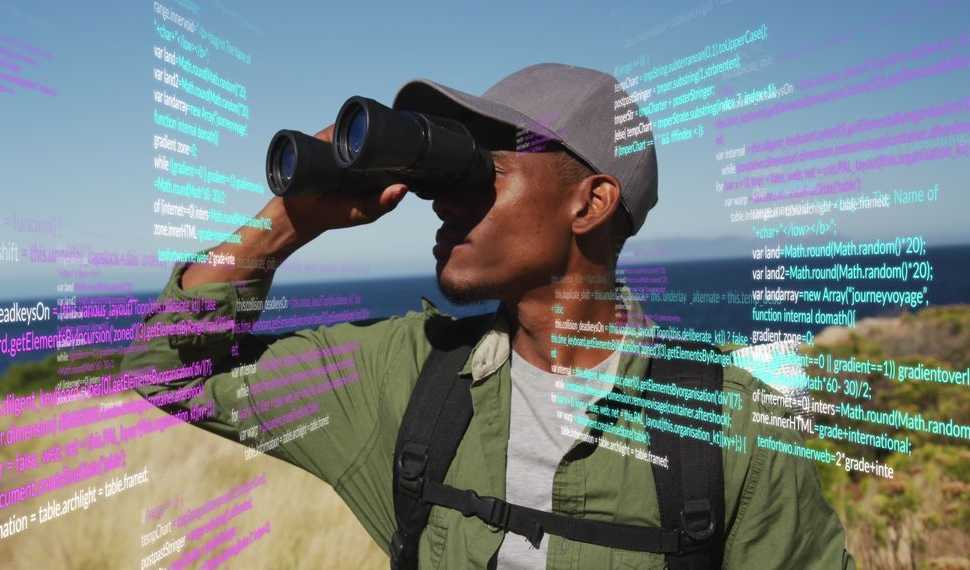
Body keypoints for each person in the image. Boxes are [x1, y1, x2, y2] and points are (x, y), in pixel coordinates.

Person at [124, 63, 854, 569]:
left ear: (590, 203)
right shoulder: (401, 375)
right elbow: (166, 374)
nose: (445, 201)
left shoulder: (732, 427)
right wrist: (286, 223)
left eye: (482, 175)